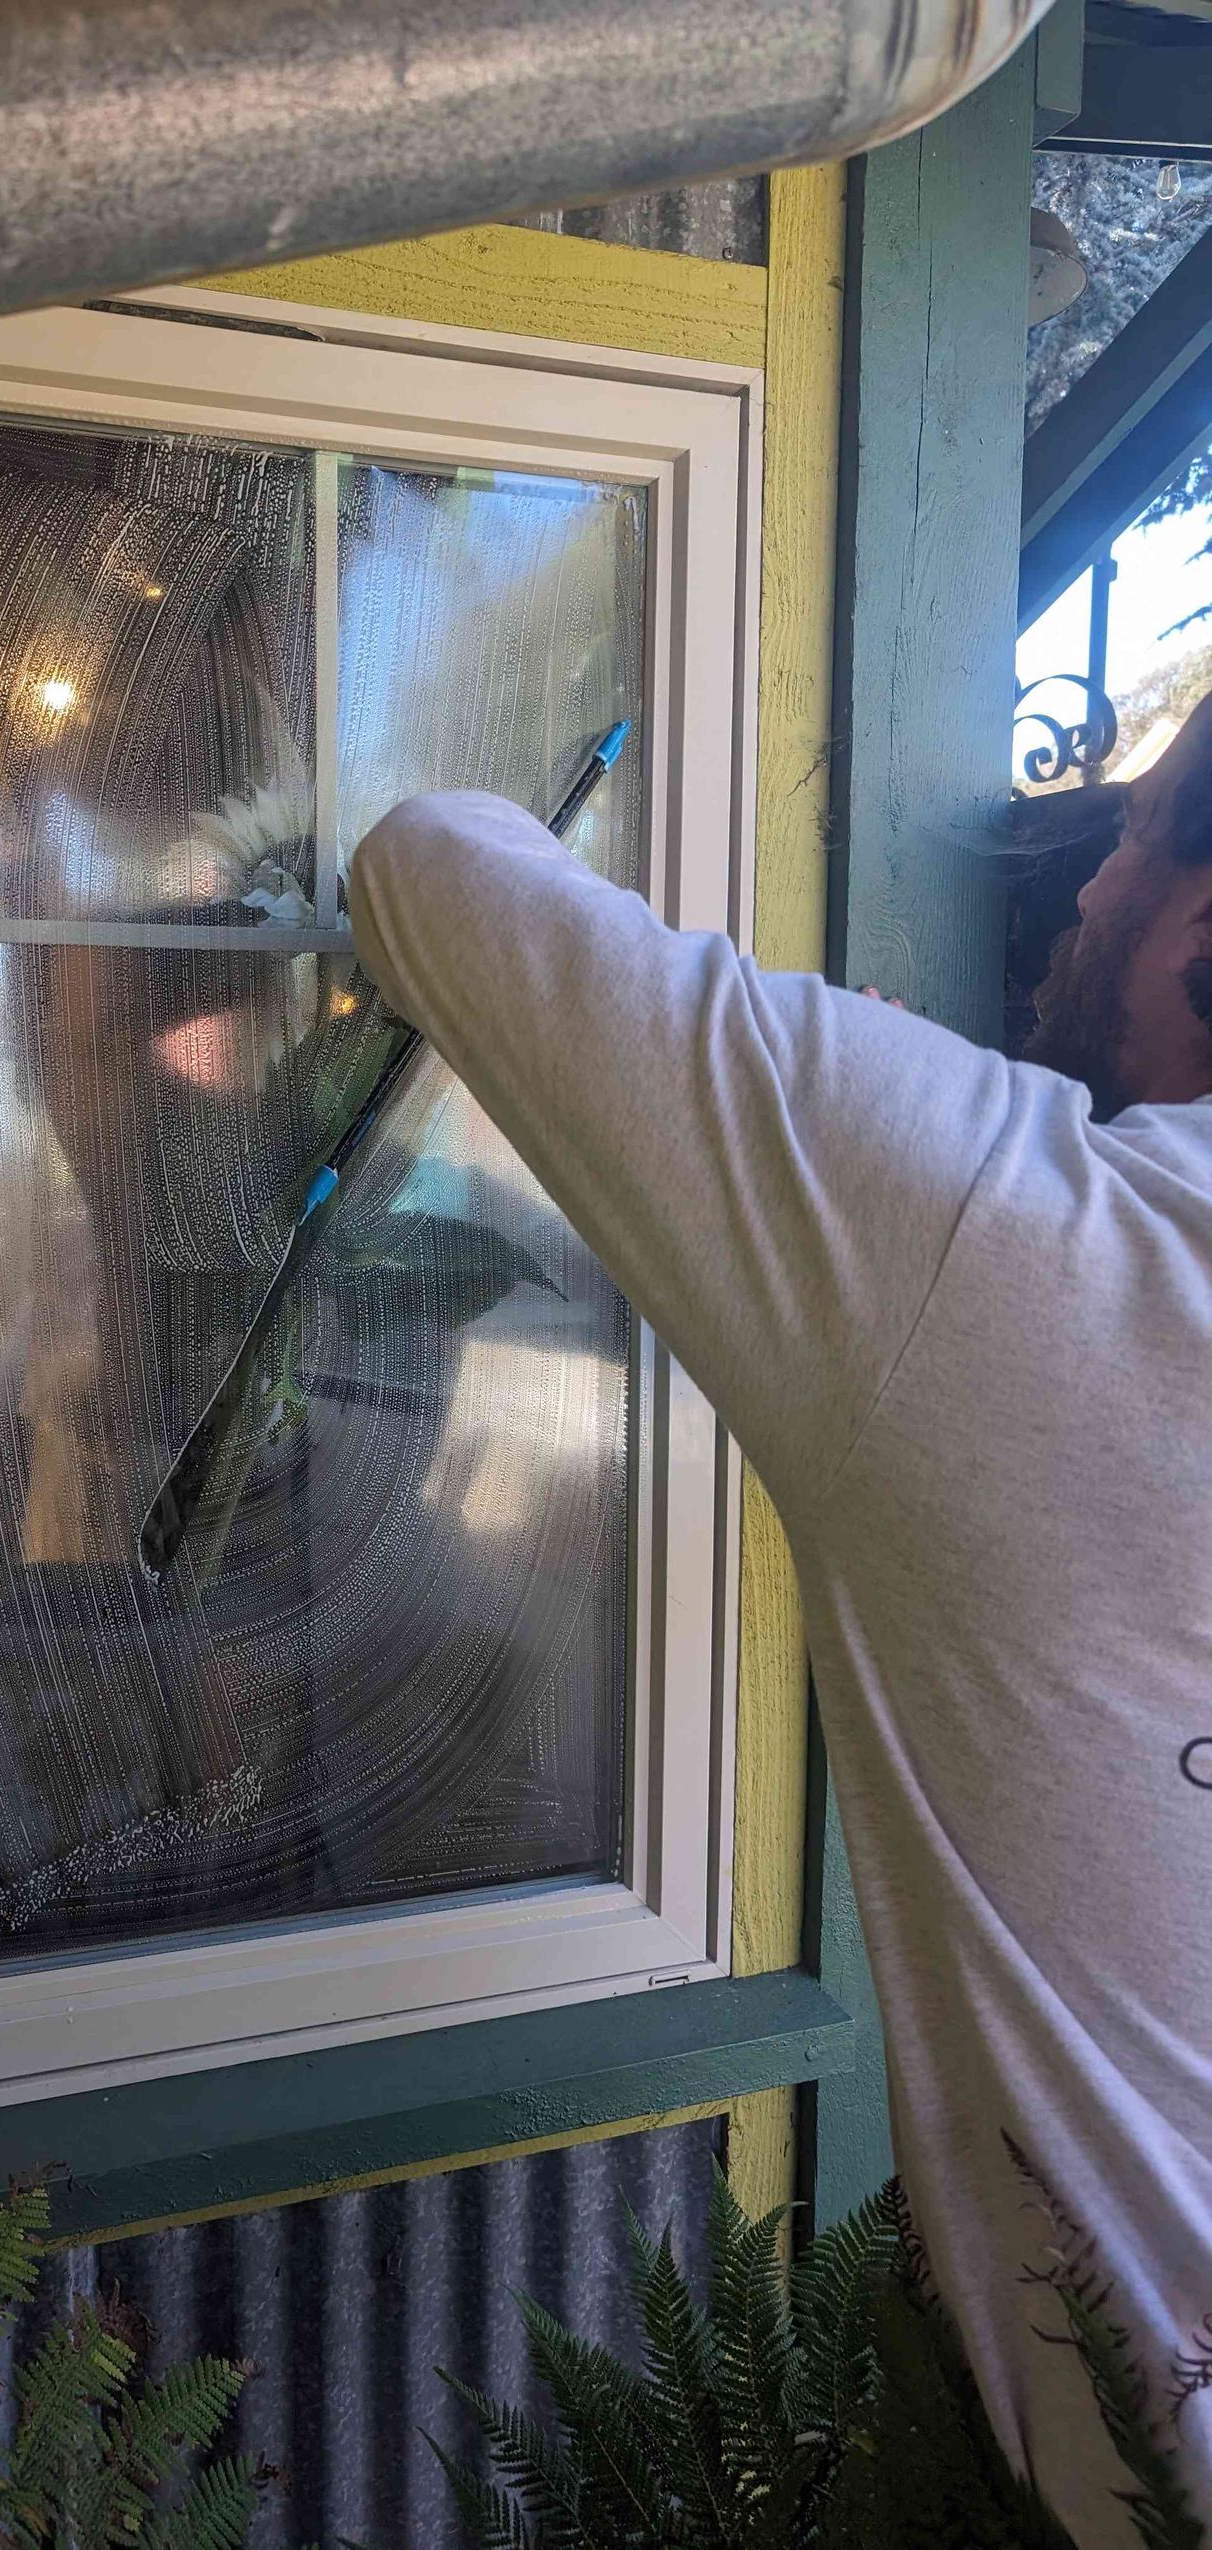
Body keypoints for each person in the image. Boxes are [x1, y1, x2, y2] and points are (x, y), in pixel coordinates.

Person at [348, 694, 1212, 2548]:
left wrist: (905, 1145)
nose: (1082, 888)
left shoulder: (1018, 1236)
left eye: (1131, 841)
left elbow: (430, 869)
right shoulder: (1000, 1220)